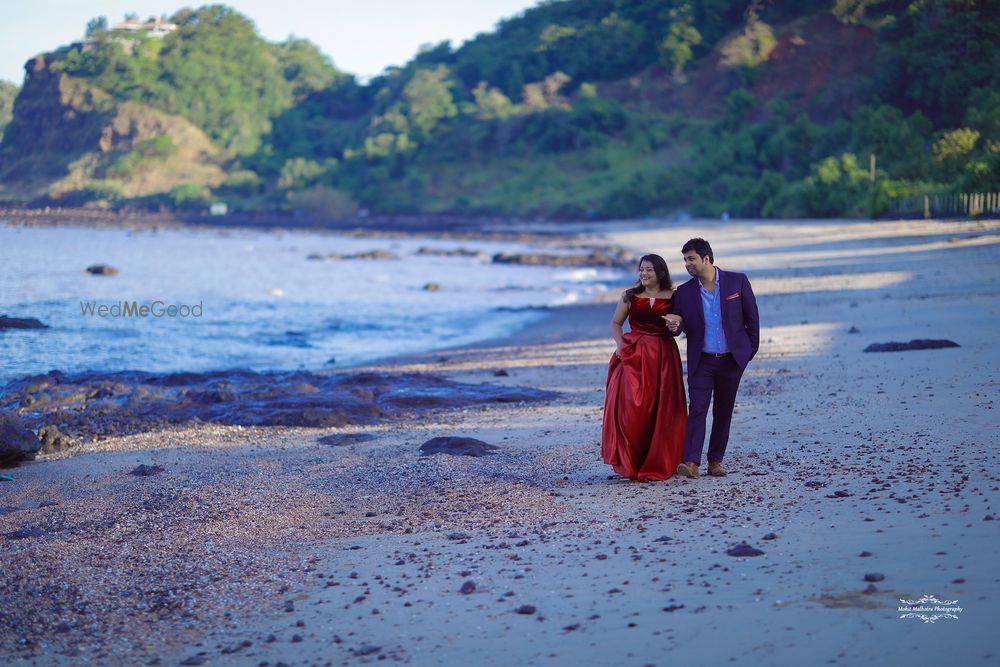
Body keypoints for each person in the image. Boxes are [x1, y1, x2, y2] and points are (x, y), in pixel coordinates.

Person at [665, 238, 759, 479]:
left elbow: (752, 321)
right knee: (697, 409)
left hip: (731, 360)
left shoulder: (737, 281)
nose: (687, 264)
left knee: (723, 410)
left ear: (706, 258)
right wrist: (675, 327)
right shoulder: (684, 292)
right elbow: (680, 324)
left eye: (691, 259)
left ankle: (715, 461)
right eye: (685, 259)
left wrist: (747, 354)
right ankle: (692, 462)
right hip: (702, 361)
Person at [601, 254, 687, 481]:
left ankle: (659, 460)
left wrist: (676, 325)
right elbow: (615, 323)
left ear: (660, 272)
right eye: (641, 270)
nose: (644, 274)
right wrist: (620, 344)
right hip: (633, 355)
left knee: (662, 408)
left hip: (663, 356)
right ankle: (630, 462)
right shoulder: (630, 296)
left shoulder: (674, 296)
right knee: (630, 408)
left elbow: (679, 324)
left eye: (649, 270)